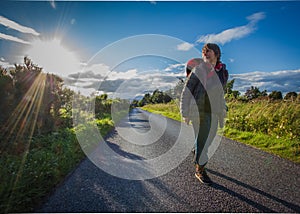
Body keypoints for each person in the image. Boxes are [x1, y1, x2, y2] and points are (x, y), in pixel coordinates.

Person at [180, 43, 228, 185]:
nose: (205, 54)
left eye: (208, 51)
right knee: (203, 140)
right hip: (198, 112)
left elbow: (221, 93)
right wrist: (185, 112)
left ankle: (197, 151)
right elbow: (186, 91)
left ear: (217, 54)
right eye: (203, 52)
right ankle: (199, 169)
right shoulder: (198, 70)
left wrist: (222, 109)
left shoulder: (223, 72)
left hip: (214, 112)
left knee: (208, 141)